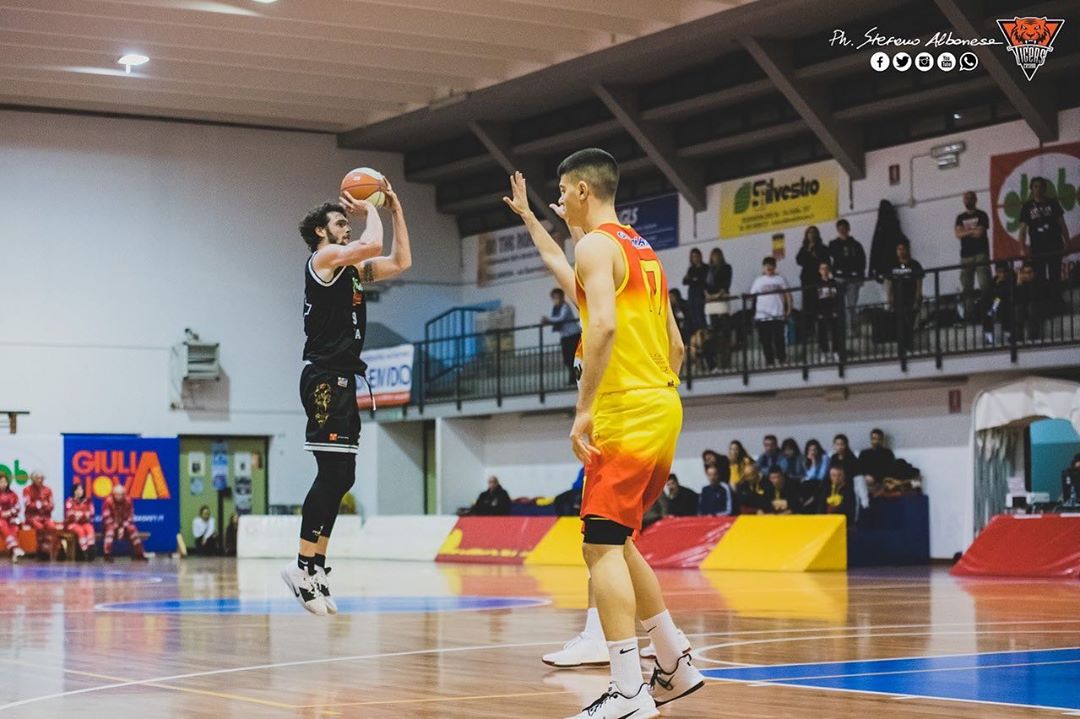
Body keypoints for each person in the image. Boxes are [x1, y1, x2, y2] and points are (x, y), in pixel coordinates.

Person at [503, 150, 701, 718]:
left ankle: (629, 690)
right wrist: (529, 219)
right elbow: (678, 346)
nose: (558, 201)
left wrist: (585, 410)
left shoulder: (595, 246)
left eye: (562, 193)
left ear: (584, 191)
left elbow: (606, 327)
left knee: (597, 546)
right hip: (662, 405)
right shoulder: (641, 253)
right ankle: (674, 660)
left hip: (626, 412)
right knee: (618, 539)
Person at [283, 181, 412, 616]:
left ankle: (317, 566)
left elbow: (400, 259)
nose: (346, 227)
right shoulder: (323, 259)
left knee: (343, 477)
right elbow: (371, 242)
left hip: (343, 377)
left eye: (346, 222)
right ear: (321, 232)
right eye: (340, 222)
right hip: (323, 377)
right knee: (330, 472)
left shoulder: (352, 270)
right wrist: (370, 206)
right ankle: (301, 567)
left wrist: (394, 209)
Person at [1018, 177, 1069, 290]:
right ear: (1031, 189)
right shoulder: (1027, 207)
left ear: (1044, 188)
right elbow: (1022, 230)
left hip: (1055, 244)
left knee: (1055, 275)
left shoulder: (1052, 203)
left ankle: (1056, 301)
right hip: (1038, 246)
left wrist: (1067, 241)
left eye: (1040, 186)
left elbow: (1062, 224)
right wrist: (1021, 248)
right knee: (1039, 277)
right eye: (1035, 186)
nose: (1038, 189)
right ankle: (1042, 303)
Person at [955, 191, 991, 321]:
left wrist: (965, 231)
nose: (968, 200)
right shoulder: (960, 217)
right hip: (966, 256)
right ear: (963, 201)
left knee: (985, 284)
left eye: (970, 198)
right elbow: (958, 234)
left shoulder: (982, 215)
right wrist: (972, 231)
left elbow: (980, 233)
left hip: (981, 253)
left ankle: (988, 312)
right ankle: (969, 316)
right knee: (967, 287)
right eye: (966, 198)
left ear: (975, 199)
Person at [749, 257, 792, 366]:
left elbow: (787, 294)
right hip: (762, 315)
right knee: (765, 340)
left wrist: (789, 309)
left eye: (771, 265)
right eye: (766, 265)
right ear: (763, 267)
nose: (769, 267)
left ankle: (782, 359)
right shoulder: (758, 280)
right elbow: (752, 295)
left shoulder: (780, 279)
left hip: (777, 313)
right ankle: (770, 361)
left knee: (779, 338)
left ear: (775, 267)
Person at [885, 239, 924, 354]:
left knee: (909, 323)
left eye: (903, 249)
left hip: (911, 298)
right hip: (898, 299)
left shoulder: (915, 265)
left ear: (908, 250)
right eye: (899, 249)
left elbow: (919, 282)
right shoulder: (893, 265)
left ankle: (908, 347)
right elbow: (888, 282)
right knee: (899, 324)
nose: (901, 252)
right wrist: (889, 297)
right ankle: (902, 348)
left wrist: (918, 298)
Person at [828, 218, 866, 332]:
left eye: (844, 229)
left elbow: (862, 261)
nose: (842, 231)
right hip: (838, 278)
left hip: (853, 278)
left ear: (848, 229)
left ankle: (852, 329)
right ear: (837, 230)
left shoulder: (855, 244)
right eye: (840, 229)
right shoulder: (833, 245)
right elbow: (828, 260)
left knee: (851, 305)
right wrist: (831, 276)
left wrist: (861, 276)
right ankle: (841, 330)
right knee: (840, 306)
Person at [543, 287, 582, 385]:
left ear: (561, 297)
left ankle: (577, 378)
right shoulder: (555, 309)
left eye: (557, 297)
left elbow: (561, 318)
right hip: (565, 337)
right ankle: (572, 378)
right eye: (554, 298)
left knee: (573, 358)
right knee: (567, 359)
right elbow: (556, 319)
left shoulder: (565, 306)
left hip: (572, 335)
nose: (555, 300)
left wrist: (548, 320)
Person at [704, 248, 733, 369]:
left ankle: (726, 362)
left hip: (721, 300)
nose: (714, 258)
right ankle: (716, 363)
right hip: (711, 303)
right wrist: (708, 295)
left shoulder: (726, 268)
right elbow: (705, 285)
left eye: (716, 256)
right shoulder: (709, 270)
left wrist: (716, 295)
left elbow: (725, 284)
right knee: (714, 333)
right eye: (712, 256)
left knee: (724, 334)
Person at [102, 484, 146, 562]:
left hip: (124, 525)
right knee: (110, 531)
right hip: (111, 524)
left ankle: (139, 554)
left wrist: (123, 526)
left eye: (121, 494)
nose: (119, 496)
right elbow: (106, 517)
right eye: (117, 494)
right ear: (113, 494)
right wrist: (116, 526)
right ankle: (107, 555)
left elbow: (130, 516)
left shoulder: (128, 501)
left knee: (133, 529)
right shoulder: (108, 501)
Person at [796, 225, 830, 326]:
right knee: (808, 304)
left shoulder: (823, 248)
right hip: (807, 279)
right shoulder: (804, 249)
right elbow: (799, 261)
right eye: (809, 233)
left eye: (813, 233)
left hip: (821, 279)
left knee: (823, 303)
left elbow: (826, 262)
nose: (811, 235)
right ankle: (809, 329)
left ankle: (824, 326)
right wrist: (808, 250)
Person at [23, 471, 57, 559]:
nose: (40, 480)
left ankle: (48, 550)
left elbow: (52, 505)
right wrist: (40, 505)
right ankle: (40, 550)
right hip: (32, 517)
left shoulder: (48, 490)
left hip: (46, 516)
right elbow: (28, 504)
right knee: (39, 527)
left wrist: (45, 505)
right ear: (33, 479)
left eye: (41, 478)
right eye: (37, 478)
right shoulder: (27, 490)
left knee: (51, 526)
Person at [981, 261, 1015, 345]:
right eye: (999, 272)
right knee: (986, 308)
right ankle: (989, 337)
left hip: (1007, 303)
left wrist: (999, 286)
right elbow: (989, 294)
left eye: (1004, 272)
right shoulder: (994, 281)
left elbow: (1004, 293)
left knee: (999, 301)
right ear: (996, 272)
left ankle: (1008, 334)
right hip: (996, 304)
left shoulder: (1011, 279)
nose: (1002, 274)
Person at [815, 261, 844, 360]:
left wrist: (837, 309)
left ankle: (836, 351)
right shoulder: (817, 283)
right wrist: (817, 312)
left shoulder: (834, 283)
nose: (825, 271)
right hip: (821, 310)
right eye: (822, 268)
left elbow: (838, 297)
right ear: (819, 271)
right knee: (822, 333)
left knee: (835, 331)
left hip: (833, 309)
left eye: (826, 268)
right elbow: (814, 299)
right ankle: (825, 351)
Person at [1013, 260, 1046, 341]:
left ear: (1034, 273)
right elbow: (1016, 299)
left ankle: (1033, 336)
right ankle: (1017, 337)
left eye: (1029, 272)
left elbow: (1034, 297)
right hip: (1024, 308)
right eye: (1025, 272)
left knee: (1031, 307)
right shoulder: (1020, 283)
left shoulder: (1039, 282)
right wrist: (1019, 284)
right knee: (1018, 308)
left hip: (1039, 307)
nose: (1027, 275)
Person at [64, 483, 95, 560]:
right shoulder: (69, 501)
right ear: (74, 491)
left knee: (89, 529)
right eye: (77, 490)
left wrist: (82, 515)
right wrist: (80, 515)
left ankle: (91, 550)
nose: (80, 492)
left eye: (81, 490)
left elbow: (91, 512)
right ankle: (85, 551)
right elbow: (69, 514)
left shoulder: (88, 501)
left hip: (85, 522)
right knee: (80, 531)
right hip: (72, 524)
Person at [0, 472, 24, 562]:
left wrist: (10, 512)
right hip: (1, 519)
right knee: (2, 525)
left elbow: (17, 507)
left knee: (14, 528)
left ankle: (14, 554)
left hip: (11, 518)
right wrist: (2, 513)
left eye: (4, 482)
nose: (3, 484)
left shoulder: (12, 494)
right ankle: (15, 548)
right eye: (1, 482)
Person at [683, 247, 708, 332]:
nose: (695, 258)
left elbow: (702, 280)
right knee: (692, 315)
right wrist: (694, 280)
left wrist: (693, 280)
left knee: (700, 315)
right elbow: (685, 281)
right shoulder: (691, 269)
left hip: (700, 293)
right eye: (693, 257)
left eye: (696, 256)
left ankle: (703, 332)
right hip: (692, 294)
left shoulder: (705, 267)